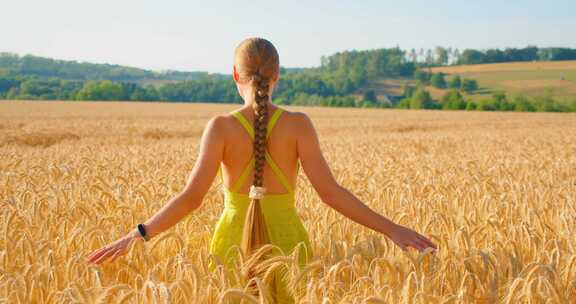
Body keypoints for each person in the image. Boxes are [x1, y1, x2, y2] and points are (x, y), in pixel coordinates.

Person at [87, 37, 437, 302]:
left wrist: (138, 234)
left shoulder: (220, 128)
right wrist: (393, 230)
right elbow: (331, 194)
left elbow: (191, 198)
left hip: (231, 246)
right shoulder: (299, 126)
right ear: (277, 76)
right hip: (288, 247)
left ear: (235, 74)